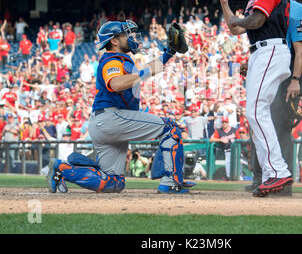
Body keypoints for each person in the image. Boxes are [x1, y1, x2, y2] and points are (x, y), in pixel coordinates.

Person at [47, 20, 194, 194]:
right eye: (127, 34)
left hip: (105, 123)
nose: (132, 37)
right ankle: (171, 182)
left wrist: (169, 53)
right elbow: (116, 84)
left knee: (113, 183)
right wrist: (141, 73)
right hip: (111, 117)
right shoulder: (112, 60)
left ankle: (62, 169)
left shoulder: (120, 60)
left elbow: (147, 70)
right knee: (170, 127)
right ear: (114, 41)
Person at [219, 0, 293, 197]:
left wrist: (239, 21)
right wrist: (225, 4)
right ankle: (273, 174)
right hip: (262, 51)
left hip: (270, 48)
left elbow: (255, 22)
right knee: (255, 113)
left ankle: (278, 171)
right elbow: (236, 29)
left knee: (255, 110)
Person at [244, 0, 302, 196]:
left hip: (287, 73)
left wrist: (295, 80)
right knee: (258, 121)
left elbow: (299, 49)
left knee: (280, 127)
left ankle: (283, 182)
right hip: (269, 66)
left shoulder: (296, 8)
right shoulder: (264, 4)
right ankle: (261, 177)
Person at [210, 116, 237, 180]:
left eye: (226, 122)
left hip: (237, 152)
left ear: (228, 123)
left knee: (238, 168)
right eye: (223, 122)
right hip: (227, 151)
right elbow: (211, 139)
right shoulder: (219, 130)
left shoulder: (234, 129)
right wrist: (220, 140)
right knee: (228, 172)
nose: (224, 124)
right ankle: (231, 180)